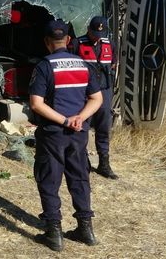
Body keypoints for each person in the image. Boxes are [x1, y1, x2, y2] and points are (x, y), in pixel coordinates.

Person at [29, 19, 103, 252]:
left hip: (53, 134)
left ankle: (54, 234)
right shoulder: (83, 65)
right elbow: (97, 99)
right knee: (79, 177)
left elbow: (36, 104)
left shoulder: (44, 67)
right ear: (69, 40)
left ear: (46, 42)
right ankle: (86, 229)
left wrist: (64, 120)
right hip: (78, 134)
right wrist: (79, 118)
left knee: (49, 179)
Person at [70, 16, 119, 179]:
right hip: (84, 93)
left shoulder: (110, 44)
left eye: (100, 34)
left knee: (104, 127)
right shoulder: (77, 44)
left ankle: (104, 163)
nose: (97, 38)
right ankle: (82, 161)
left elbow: (113, 64)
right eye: (94, 34)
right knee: (82, 127)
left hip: (104, 91)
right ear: (88, 30)